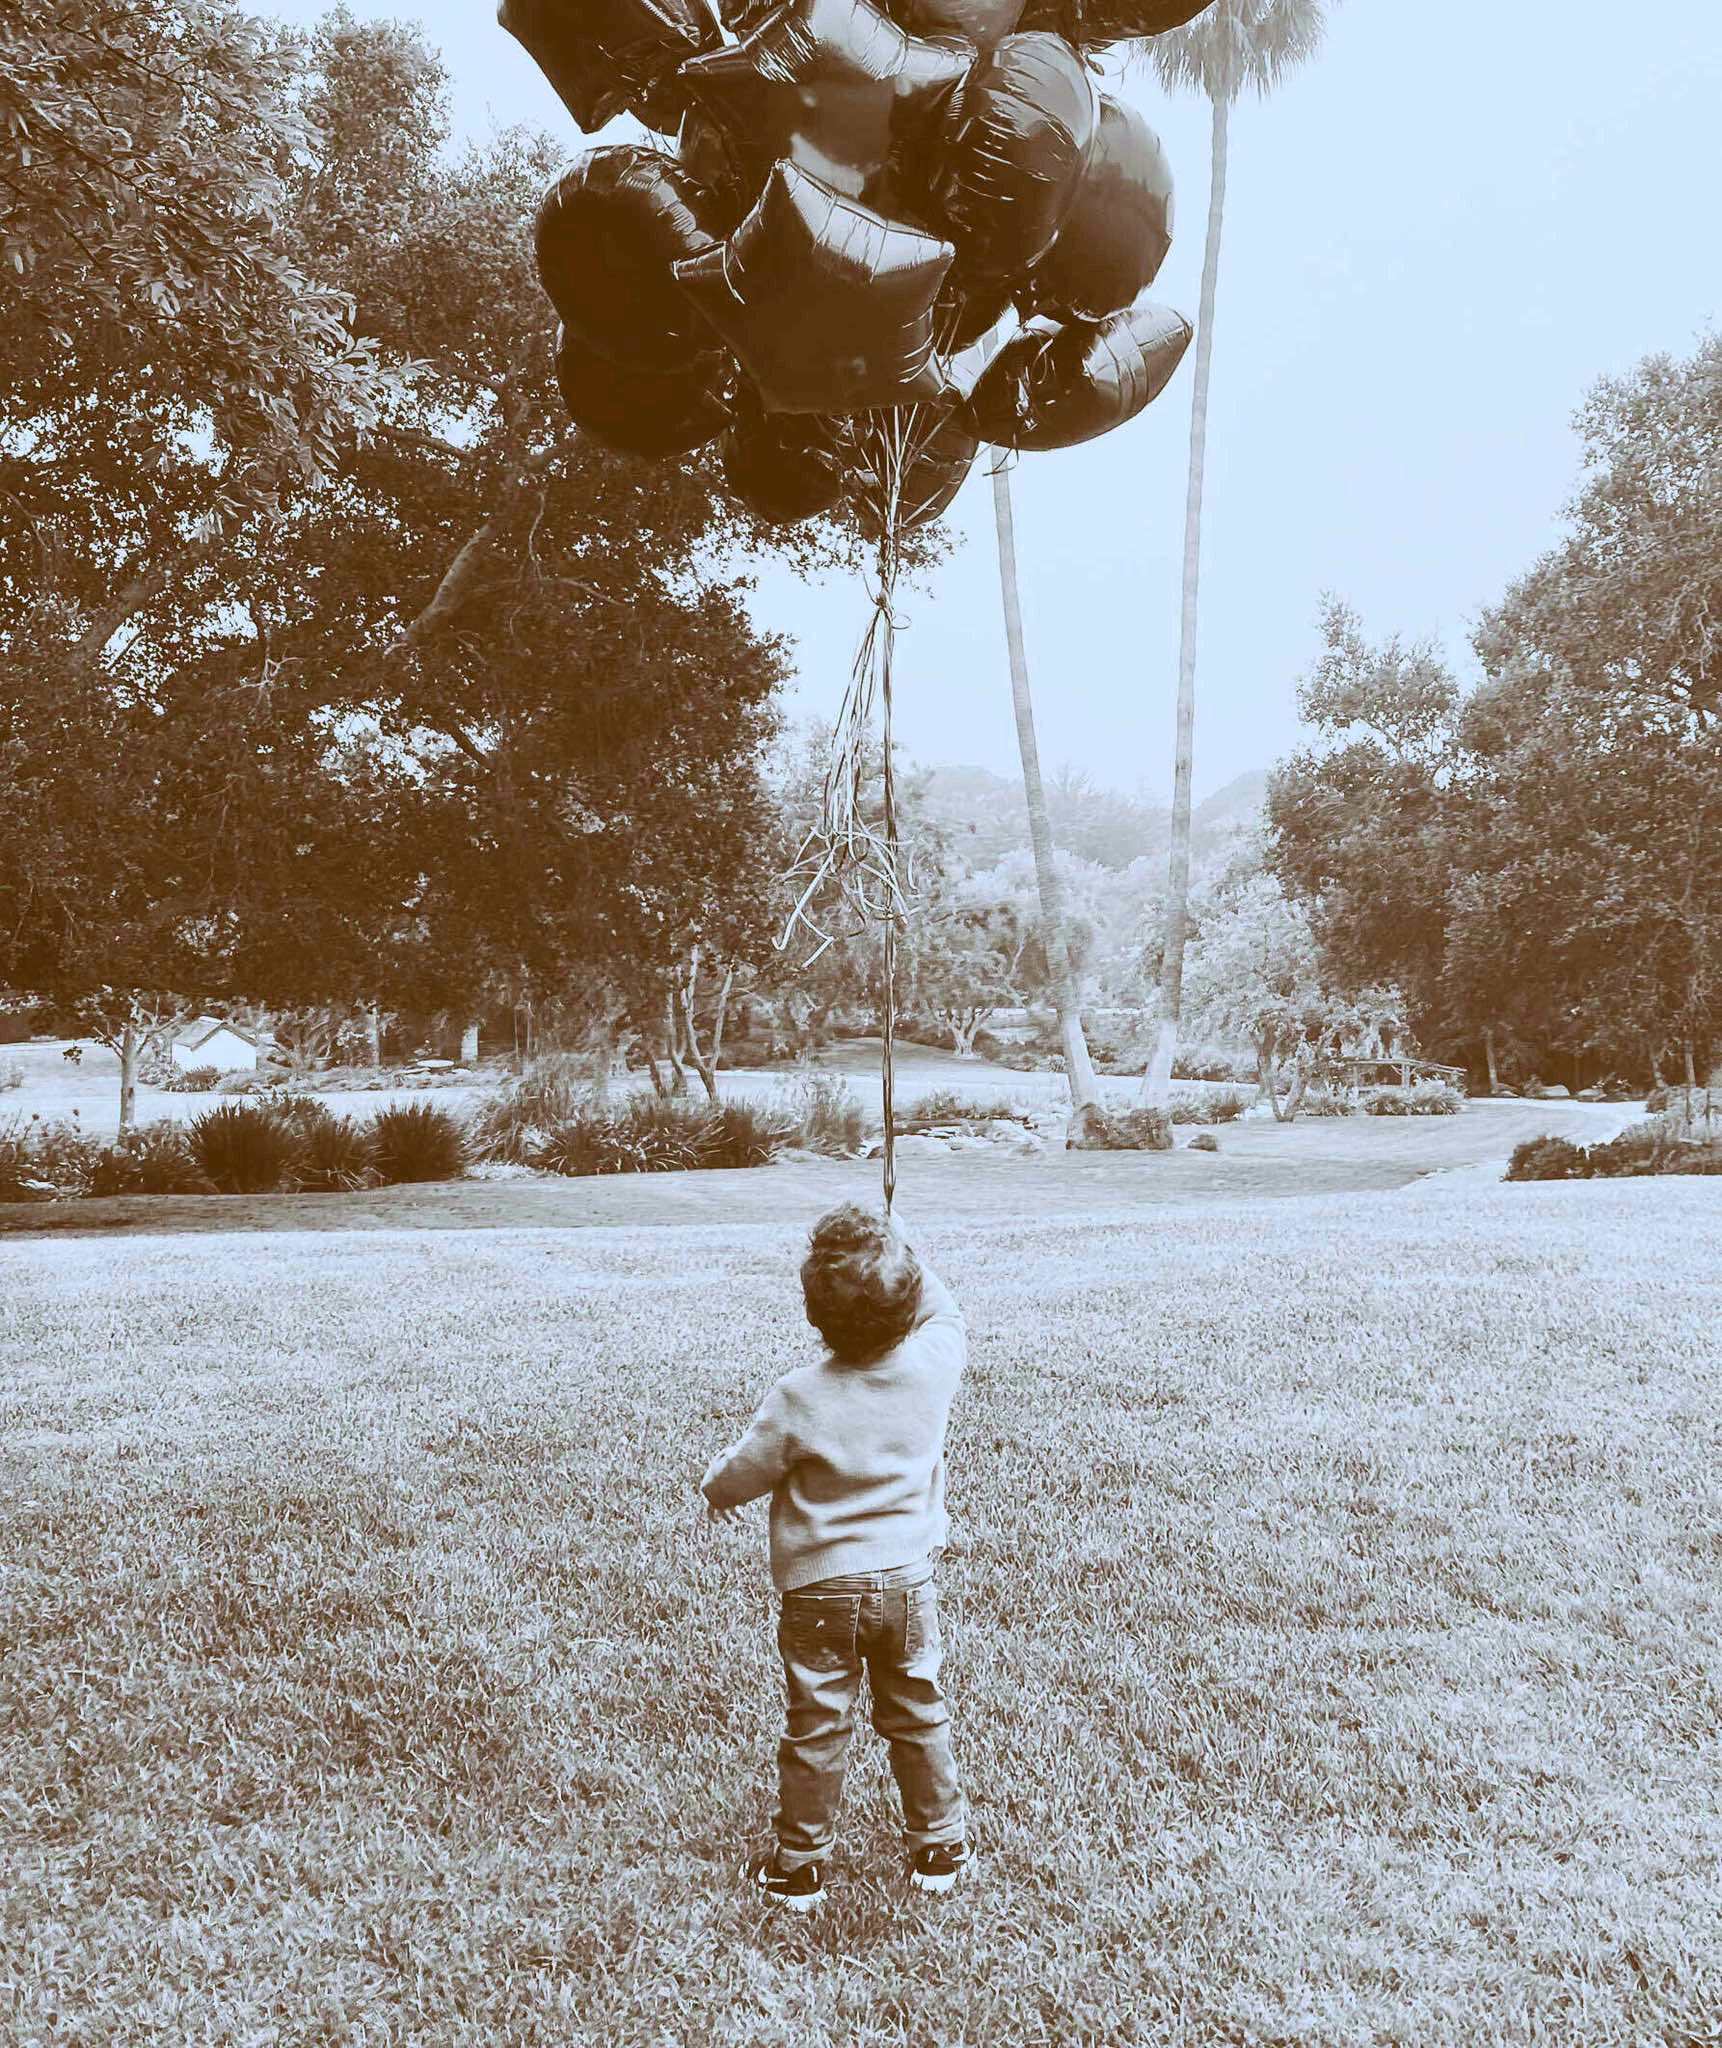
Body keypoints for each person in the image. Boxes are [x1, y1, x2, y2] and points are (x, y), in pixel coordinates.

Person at [699, 1200, 972, 1912]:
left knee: (818, 1721)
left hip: (821, 1591)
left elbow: (744, 1472)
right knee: (916, 1706)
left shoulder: (798, 1397)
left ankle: (800, 1866)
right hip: (909, 1581)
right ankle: (938, 1845)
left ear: (814, 1314)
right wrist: (905, 1248)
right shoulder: (932, 1366)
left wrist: (714, 1488)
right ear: (908, 1300)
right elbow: (946, 1311)